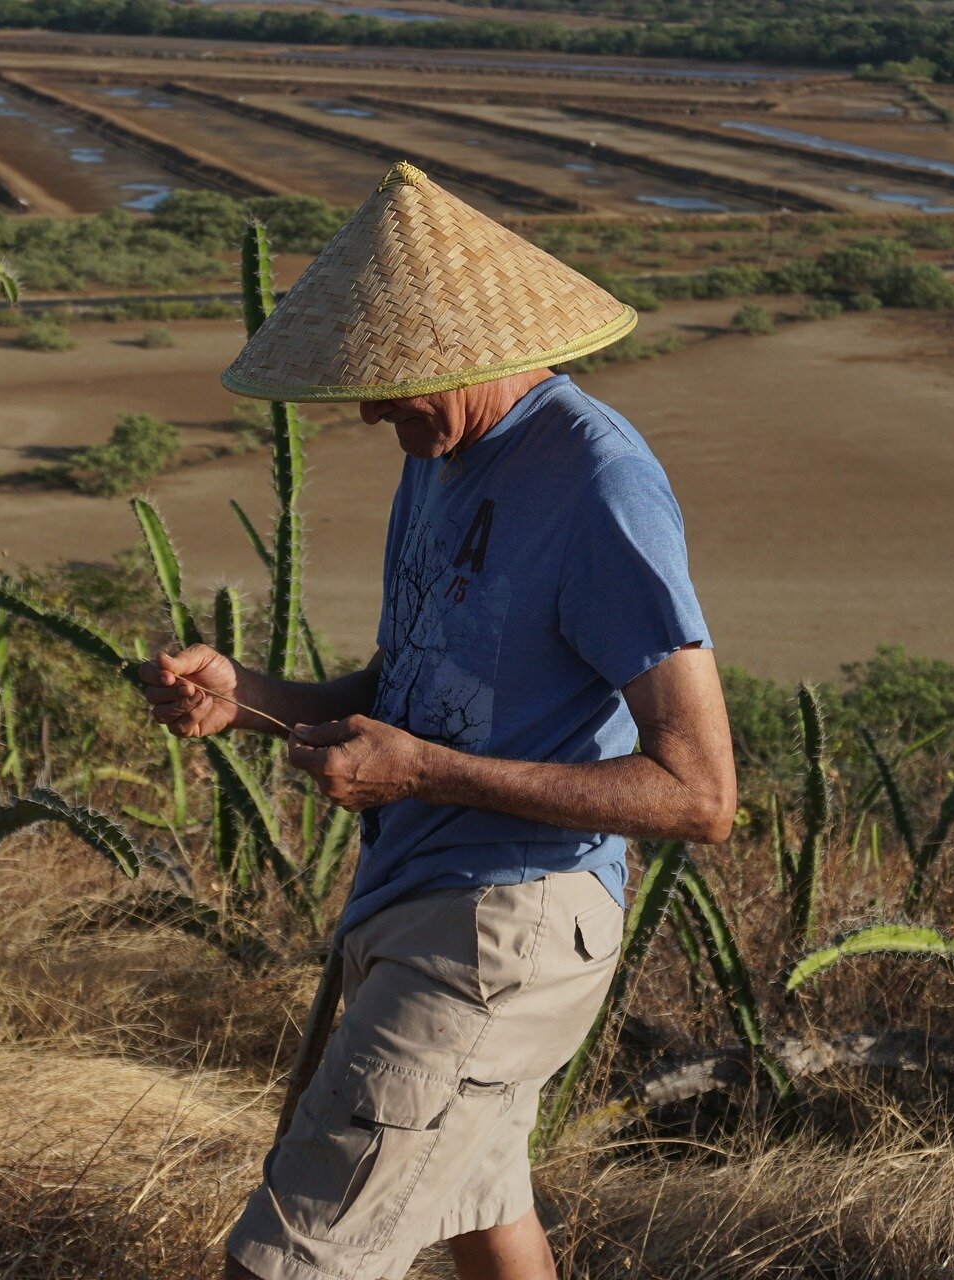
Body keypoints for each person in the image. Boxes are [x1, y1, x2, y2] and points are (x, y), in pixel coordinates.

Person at [139, 161, 736, 1280]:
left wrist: (422, 773)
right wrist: (247, 696)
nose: (368, 408)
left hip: (504, 924)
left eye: (390, 379)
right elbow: (411, 687)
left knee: (291, 1255)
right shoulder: (444, 456)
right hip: (423, 902)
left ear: (476, 352)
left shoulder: (602, 485)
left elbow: (698, 795)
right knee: (484, 1210)